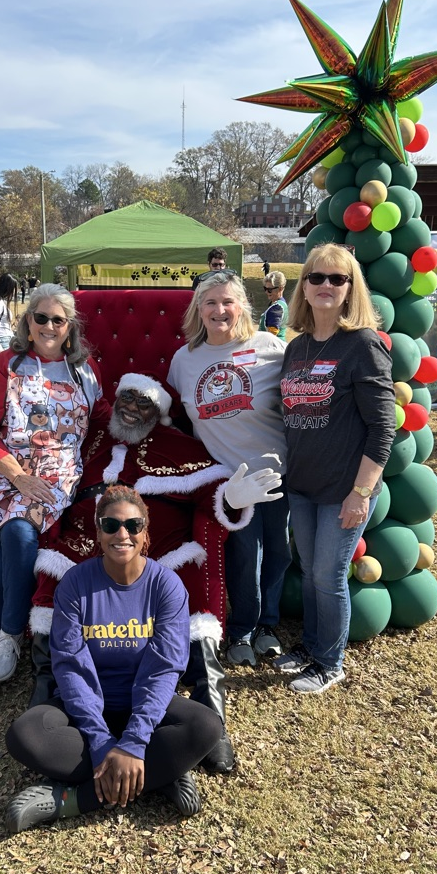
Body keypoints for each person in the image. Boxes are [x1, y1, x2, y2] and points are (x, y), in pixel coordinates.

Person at [29, 371, 282, 772]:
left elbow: (211, 491)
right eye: (126, 399)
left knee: (192, 585)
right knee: (53, 571)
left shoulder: (176, 446)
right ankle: (47, 695)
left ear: (159, 412)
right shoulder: (93, 440)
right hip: (87, 542)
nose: (131, 409)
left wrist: (231, 497)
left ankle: (211, 711)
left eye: (143, 403)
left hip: (159, 549)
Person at [3, 486, 222, 833]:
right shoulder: (75, 584)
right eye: (111, 525)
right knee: (26, 733)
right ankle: (160, 775)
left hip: (147, 708)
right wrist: (102, 742)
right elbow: (71, 668)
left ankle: (75, 799)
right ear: (98, 531)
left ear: (146, 532)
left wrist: (133, 741)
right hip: (87, 709)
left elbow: (163, 668)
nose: (123, 534)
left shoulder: (167, 586)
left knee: (206, 727)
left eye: (134, 526)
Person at [0, 283, 105, 689]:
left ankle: (8, 637)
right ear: (28, 322)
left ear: (69, 328)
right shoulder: (6, 364)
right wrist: (15, 475)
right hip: (4, 472)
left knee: (19, 530)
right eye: (40, 317)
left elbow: (102, 417)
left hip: (55, 475)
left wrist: (149, 412)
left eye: (57, 320)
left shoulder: (85, 371)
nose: (48, 325)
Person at [274, 243, 395, 694]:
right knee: (310, 571)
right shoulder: (298, 347)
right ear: (303, 286)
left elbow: (384, 427)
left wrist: (361, 493)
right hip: (303, 485)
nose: (325, 285)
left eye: (336, 279)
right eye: (316, 277)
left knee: (328, 574)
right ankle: (310, 647)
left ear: (350, 288)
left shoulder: (362, 344)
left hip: (345, 487)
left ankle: (330, 662)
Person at [167, 271, 291, 667]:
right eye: (210, 302)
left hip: (273, 471)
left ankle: (267, 626)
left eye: (228, 302)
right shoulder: (184, 360)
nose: (220, 310)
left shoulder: (271, 346)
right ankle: (241, 629)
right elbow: (178, 420)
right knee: (242, 555)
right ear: (198, 310)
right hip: (226, 481)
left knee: (276, 552)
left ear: (242, 306)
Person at [260, 271, 289, 340]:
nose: (266, 292)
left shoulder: (277, 308)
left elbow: (271, 337)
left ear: (280, 289)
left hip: (273, 348)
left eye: (270, 290)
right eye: (265, 289)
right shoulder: (282, 303)